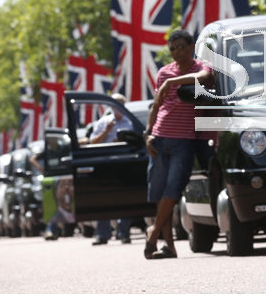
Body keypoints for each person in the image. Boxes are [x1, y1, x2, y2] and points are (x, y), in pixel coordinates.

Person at [143, 30, 213, 259]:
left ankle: (153, 234)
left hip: (185, 140)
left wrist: (172, 82)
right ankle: (169, 247)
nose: (177, 52)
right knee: (162, 192)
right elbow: (156, 106)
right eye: (172, 49)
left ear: (191, 46)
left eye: (181, 47)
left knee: (172, 191)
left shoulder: (201, 67)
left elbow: (204, 78)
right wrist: (147, 134)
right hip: (160, 138)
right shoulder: (164, 72)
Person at [89, 93, 133, 245]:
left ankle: (124, 232)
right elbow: (92, 142)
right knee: (104, 199)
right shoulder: (103, 123)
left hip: (125, 163)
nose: (118, 107)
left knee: (125, 198)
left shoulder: (130, 122)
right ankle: (102, 234)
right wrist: (106, 132)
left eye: (120, 104)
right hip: (106, 164)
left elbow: (137, 140)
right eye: (115, 104)